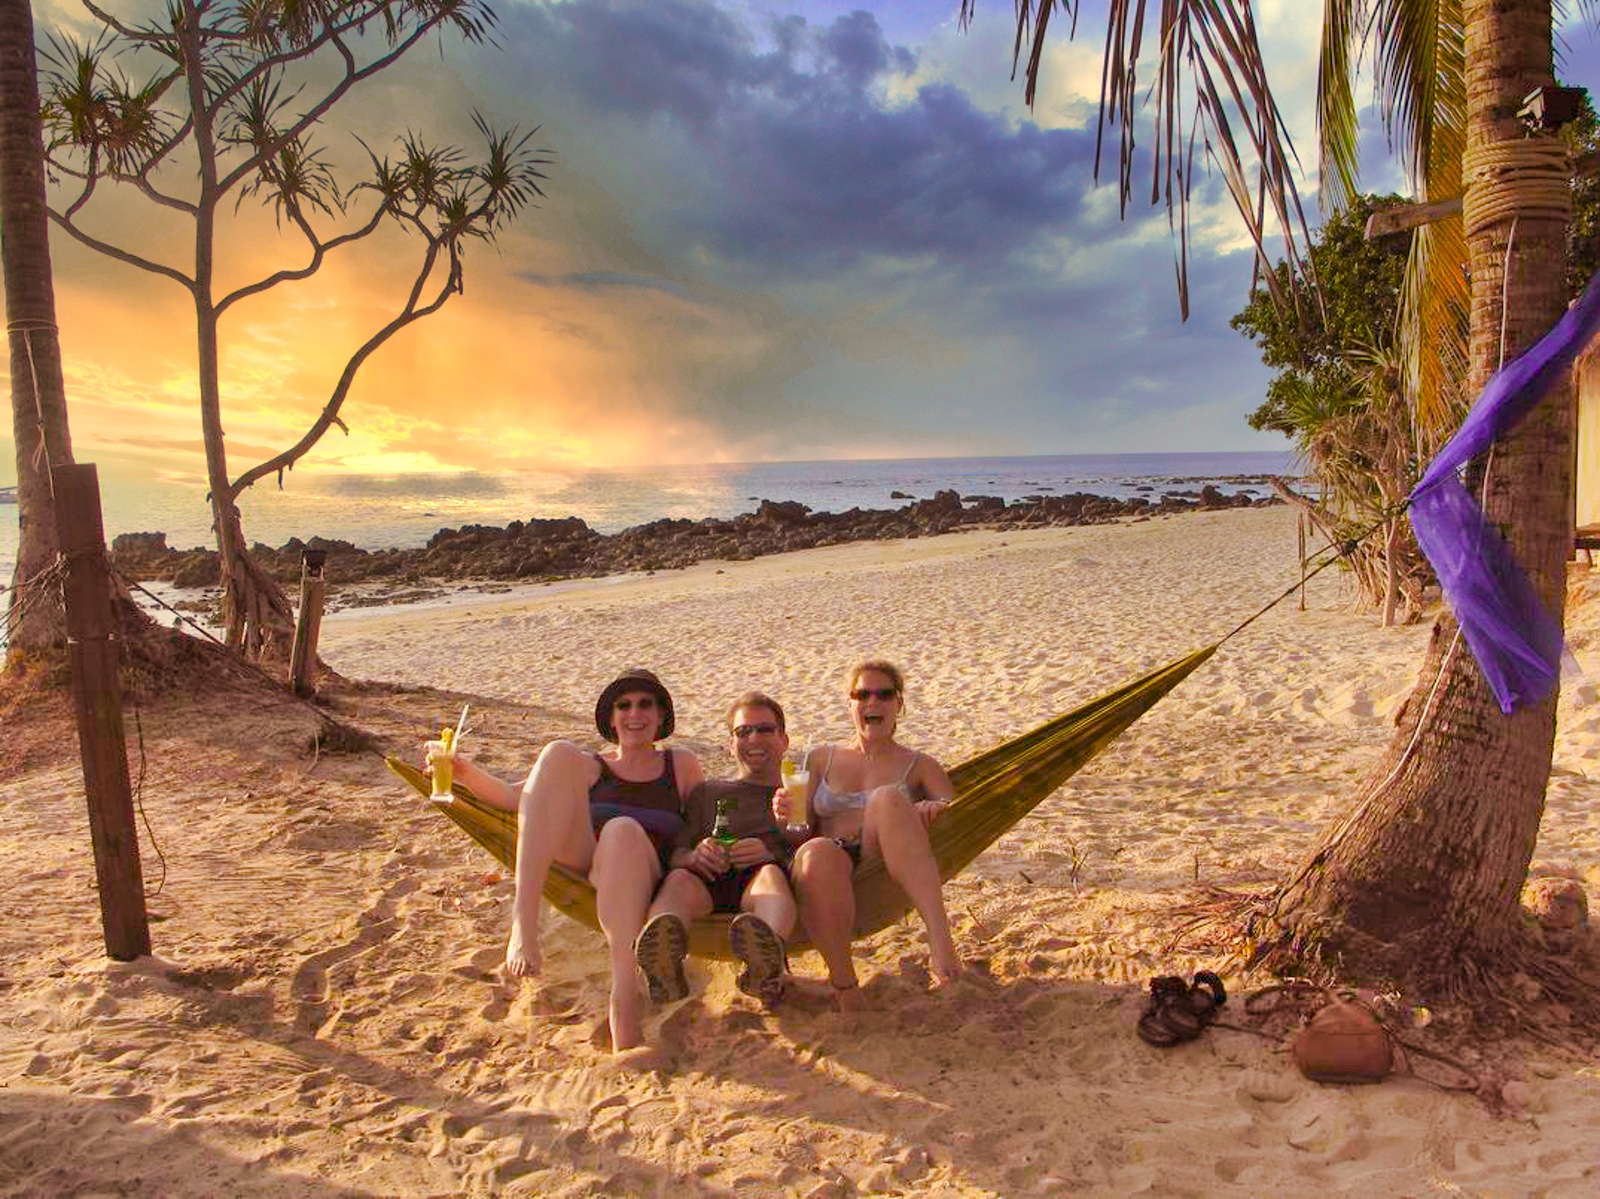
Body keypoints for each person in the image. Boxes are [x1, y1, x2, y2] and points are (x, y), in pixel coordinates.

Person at [426, 668, 704, 1052]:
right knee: (558, 751)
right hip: (591, 864)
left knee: (622, 829)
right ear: (611, 718)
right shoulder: (591, 767)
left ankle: (622, 997)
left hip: (651, 871)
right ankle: (524, 924)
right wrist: (464, 772)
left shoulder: (680, 764)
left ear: (661, 717)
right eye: (624, 705)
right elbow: (517, 800)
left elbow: (702, 823)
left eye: (645, 705)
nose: (634, 714)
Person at [773, 659, 961, 1007]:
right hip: (826, 865)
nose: (873, 703)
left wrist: (934, 808)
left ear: (899, 704)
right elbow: (798, 835)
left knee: (888, 797)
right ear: (850, 704)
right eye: (862, 694)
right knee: (817, 851)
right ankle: (845, 987)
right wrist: (785, 814)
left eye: (884, 694)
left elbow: (957, 812)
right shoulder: (819, 758)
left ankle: (941, 941)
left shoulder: (920, 765)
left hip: (882, 862)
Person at [635, 691, 798, 1008]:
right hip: (705, 884)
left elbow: (808, 853)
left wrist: (770, 854)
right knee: (678, 880)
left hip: (759, 883)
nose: (754, 738)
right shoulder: (707, 792)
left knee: (771, 879)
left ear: (784, 740)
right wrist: (695, 855)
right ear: (731, 744)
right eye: (743, 731)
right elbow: (674, 854)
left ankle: (768, 965)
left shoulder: (794, 795)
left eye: (765, 729)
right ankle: (663, 966)